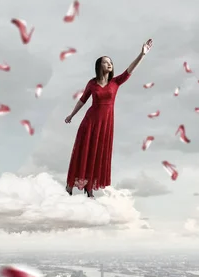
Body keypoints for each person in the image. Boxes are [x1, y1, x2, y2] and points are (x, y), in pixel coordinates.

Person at [64, 39, 153, 198]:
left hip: (105, 125)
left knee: (97, 154)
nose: (109, 64)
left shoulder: (116, 82)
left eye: (110, 62)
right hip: (90, 123)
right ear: (99, 66)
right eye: (106, 62)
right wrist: (71, 115)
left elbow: (129, 70)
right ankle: (70, 185)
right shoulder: (92, 83)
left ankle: (89, 188)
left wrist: (142, 54)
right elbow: (83, 100)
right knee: (84, 152)